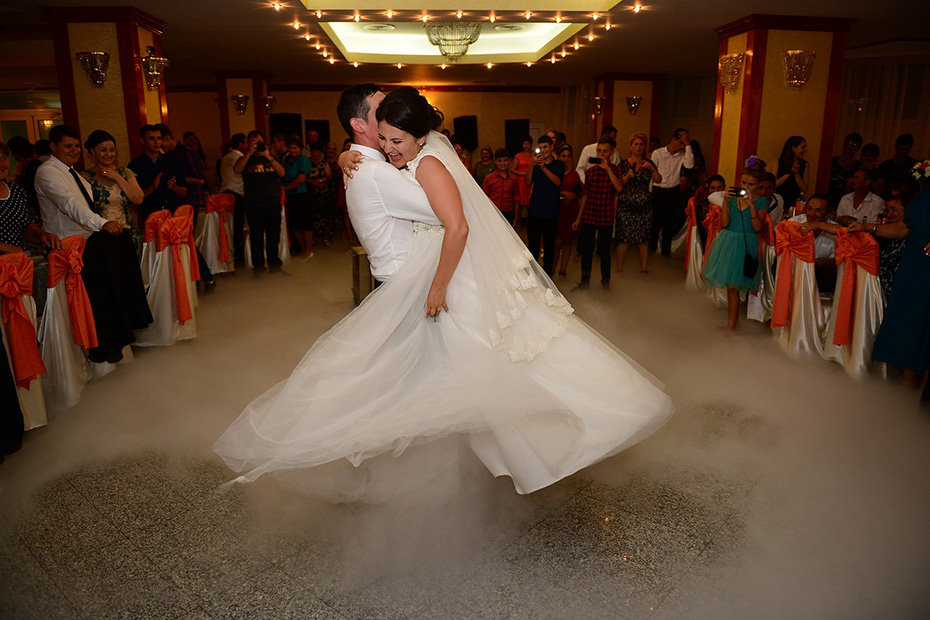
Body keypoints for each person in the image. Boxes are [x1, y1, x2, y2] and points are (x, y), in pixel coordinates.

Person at [214, 85, 672, 502]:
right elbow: (441, 212)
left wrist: (353, 159)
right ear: (360, 124)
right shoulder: (379, 170)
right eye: (380, 116)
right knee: (427, 385)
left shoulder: (397, 164)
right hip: (414, 289)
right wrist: (348, 158)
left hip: (429, 288)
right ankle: (407, 472)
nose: (387, 125)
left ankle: (467, 471)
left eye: (395, 128)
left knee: (469, 378)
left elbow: (453, 218)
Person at [35, 125, 151, 363]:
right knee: (102, 291)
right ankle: (105, 345)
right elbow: (70, 205)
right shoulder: (48, 172)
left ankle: (125, 328)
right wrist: (102, 223)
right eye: (68, 146)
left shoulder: (72, 173)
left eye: (77, 146)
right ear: (53, 147)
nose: (74, 150)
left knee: (123, 254)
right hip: (68, 247)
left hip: (89, 242)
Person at [858, 186, 929, 391]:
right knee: (909, 322)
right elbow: (903, 229)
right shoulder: (925, 195)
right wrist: (867, 227)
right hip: (912, 267)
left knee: (925, 324)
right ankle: (907, 383)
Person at [701, 159, 768, 330]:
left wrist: (751, 205)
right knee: (731, 286)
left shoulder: (762, 202)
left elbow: (757, 227)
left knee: (737, 285)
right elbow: (724, 223)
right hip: (728, 241)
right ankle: (732, 323)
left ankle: (733, 323)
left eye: (751, 184)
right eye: (743, 183)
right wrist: (725, 202)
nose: (746, 187)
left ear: (759, 185)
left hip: (746, 244)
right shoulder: (731, 200)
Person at [80, 130, 144, 250]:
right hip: (100, 236)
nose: (109, 154)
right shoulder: (85, 177)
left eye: (112, 150)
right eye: (103, 150)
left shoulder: (124, 173)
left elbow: (138, 199)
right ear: (92, 151)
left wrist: (116, 177)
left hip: (126, 234)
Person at [234, 130, 285, 276]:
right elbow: (236, 170)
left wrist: (267, 156)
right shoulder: (245, 159)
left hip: (272, 204)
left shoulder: (271, 158)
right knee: (256, 237)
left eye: (259, 143)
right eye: (254, 143)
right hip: (253, 205)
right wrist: (249, 153)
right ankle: (258, 268)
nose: (257, 146)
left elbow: (282, 173)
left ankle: (274, 266)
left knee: (273, 237)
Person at [572, 137, 622, 285]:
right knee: (587, 251)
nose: (601, 154)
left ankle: (605, 282)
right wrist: (578, 217)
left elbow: (619, 188)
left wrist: (607, 169)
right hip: (589, 215)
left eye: (605, 151)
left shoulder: (616, 170)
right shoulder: (590, 171)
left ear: (612, 153)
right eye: (599, 151)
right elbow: (585, 195)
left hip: (605, 216)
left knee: (604, 251)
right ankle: (584, 282)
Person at [615, 133, 661, 275]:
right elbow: (617, 184)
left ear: (644, 147)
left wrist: (652, 169)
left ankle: (643, 269)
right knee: (624, 239)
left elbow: (659, 180)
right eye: (636, 144)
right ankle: (619, 269)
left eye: (641, 145)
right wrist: (626, 177)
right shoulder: (623, 164)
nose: (638, 147)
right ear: (631, 147)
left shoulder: (649, 164)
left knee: (643, 239)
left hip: (644, 207)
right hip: (626, 207)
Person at [128, 125, 187, 225]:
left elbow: (185, 191)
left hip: (174, 214)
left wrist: (175, 188)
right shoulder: (135, 166)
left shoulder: (171, 161)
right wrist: (152, 187)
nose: (156, 142)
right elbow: (133, 199)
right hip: (152, 215)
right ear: (142, 140)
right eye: (152, 138)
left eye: (159, 138)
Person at [524, 134, 564, 276]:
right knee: (533, 246)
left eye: (545, 147)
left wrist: (544, 168)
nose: (543, 150)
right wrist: (531, 166)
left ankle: (548, 277)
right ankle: (533, 276)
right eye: (540, 148)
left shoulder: (559, 164)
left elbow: (558, 182)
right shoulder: (535, 164)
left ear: (552, 147)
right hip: (535, 210)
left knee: (549, 246)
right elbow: (528, 182)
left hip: (551, 212)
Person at [650, 128, 694, 256]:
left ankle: (665, 252)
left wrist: (688, 145)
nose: (682, 146)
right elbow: (651, 173)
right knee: (655, 222)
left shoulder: (682, 155)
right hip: (659, 190)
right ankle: (651, 250)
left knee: (669, 223)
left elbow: (689, 165)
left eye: (684, 144)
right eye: (680, 143)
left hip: (673, 191)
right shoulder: (658, 153)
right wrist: (650, 190)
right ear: (673, 139)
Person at [789, 195, 838, 293]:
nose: (812, 214)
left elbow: (836, 260)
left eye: (818, 210)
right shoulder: (794, 223)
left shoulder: (835, 230)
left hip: (820, 273)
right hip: (795, 269)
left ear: (828, 214)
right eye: (809, 209)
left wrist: (819, 265)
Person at [281, 135, 314, 260]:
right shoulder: (286, 159)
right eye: (290, 147)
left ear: (300, 148)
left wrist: (286, 187)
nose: (292, 150)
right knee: (294, 226)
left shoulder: (303, 159)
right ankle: (302, 249)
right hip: (290, 196)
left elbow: (301, 178)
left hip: (302, 194)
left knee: (305, 224)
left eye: (295, 148)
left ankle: (308, 251)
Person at [554, 145, 583, 277]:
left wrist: (573, 196)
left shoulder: (574, 174)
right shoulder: (554, 172)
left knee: (568, 242)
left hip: (571, 210)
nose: (566, 159)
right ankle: (551, 271)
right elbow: (548, 192)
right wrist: (563, 193)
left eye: (568, 156)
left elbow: (581, 192)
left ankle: (563, 271)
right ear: (558, 157)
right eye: (563, 156)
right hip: (557, 210)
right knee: (557, 242)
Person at [219, 132, 247, 264]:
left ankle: (228, 252)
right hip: (236, 193)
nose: (247, 146)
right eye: (246, 143)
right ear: (240, 144)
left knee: (227, 226)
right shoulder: (240, 158)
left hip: (224, 193)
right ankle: (236, 253)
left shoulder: (225, 158)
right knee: (237, 225)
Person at [482, 147, 521, 229]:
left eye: (505, 160)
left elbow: (516, 198)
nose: (503, 163)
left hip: (508, 213)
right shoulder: (489, 178)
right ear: (495, 161)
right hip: (493, 213)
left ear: (509, 161)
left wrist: (516, 217)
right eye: (499, 161)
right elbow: (484, 199)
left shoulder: (514, 179)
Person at [775, 136, 810, 211]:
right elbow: (774, 185)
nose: (805, 151)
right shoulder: (778, 163)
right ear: (793, 148)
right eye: (803, 147)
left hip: (795, 203)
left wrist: (796, 173)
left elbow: (804, 189)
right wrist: (789, 173)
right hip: (779, 201)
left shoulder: (805, 164)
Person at [829, 132, 862, 207]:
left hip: (850, 201)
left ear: (858, 148)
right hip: (831, 198)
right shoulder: (832, 161)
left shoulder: (859, 165)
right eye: (849, 143)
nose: (851, 147)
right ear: (844, 144)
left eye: (854, 145)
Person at [510, 136, 534, 215]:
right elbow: (513, 170)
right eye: (524, 144)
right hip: (520, 182)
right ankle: (517, 221)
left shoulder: (534, 156)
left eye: (528, 144)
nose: (526, 146)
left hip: (531, 182)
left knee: (531, 204)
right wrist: (524, 173)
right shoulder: (518, 156)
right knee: (518, 206)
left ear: (531, 144)